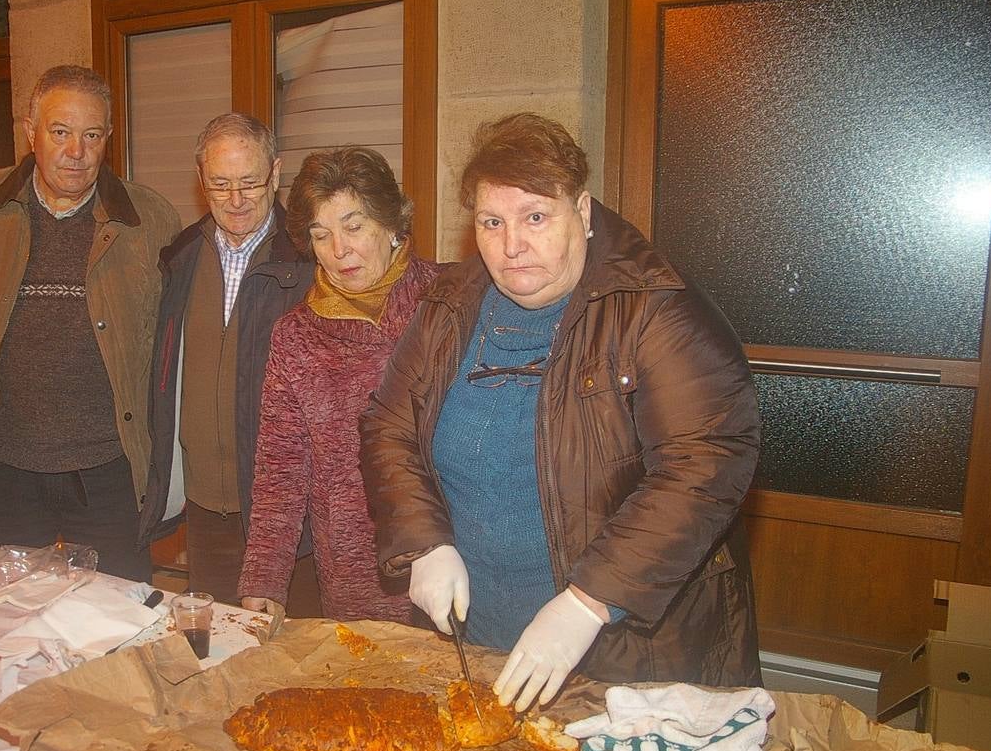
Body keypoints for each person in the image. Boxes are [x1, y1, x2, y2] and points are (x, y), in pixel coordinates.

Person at [360, 112, 762, 711]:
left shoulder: (653, 308)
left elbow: (705, 465)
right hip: (479, 640)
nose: (510, 245)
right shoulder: (451, 303)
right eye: (491, 222)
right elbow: (388, 424)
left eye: (535, 218)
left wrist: (587, 602)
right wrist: (422, 541)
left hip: (626, 650)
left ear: (583, 209)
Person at [0, 65, 180, 579]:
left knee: (113, 620)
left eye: (91, 135)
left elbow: (177, 341)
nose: (76, 151)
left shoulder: (150, 221)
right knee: (11, 615)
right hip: (4, 464)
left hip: (111, 469)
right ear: (29, 131)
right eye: (60, 132)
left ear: (107, 139)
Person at [236, 147, 441, 622]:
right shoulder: (296, 336)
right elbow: (281, 471)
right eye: (321, 234)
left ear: (392, 225)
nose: (339, 250)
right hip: (355, 570)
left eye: (354, 227)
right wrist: (265, 576)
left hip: (458, 558)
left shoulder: (449, 302)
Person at [138, 114, 320, 613]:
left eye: (249, 183)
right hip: (204, 506)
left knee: (292, 659)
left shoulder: (309, 262)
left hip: (285, 514)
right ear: (201, 181)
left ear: (276, 174)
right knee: (218, 654)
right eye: (221, 184)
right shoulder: (179, 258)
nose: (236, 200)